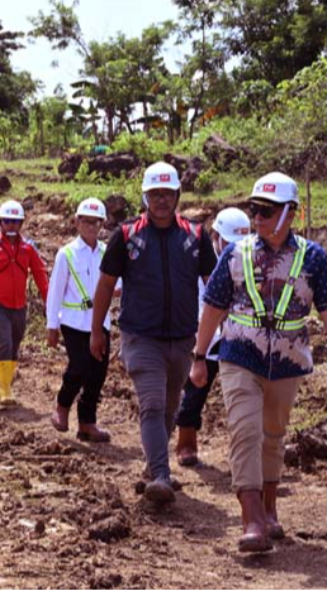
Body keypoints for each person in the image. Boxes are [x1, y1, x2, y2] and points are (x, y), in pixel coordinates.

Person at [192, 172, 327, 552]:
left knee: (273, 434)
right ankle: (251, 519)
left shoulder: (313, 259)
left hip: (288, 359)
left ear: (290, 213)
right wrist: (200, 356)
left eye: (267, 210)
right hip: (239, 354)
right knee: (244, 430)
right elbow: (214, 306)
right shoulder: (236, 254)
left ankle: (269, 508)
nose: (258, 217)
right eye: (255, 209)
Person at [91, 161, 218, 505]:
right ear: (145, 197)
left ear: (178, 195)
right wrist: (97, 330)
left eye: (167, 194)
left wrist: (224, 329)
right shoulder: (127, 235)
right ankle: (162, 475)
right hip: (139, 336)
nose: (161, 200)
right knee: (152, 403)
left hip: (182, 339)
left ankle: (153, 466)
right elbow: (104, 286)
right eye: (154, 194)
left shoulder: (195, 236)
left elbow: (216, 286)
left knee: (170, 408)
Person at [176, 208, 251, 467]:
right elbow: (200, 307)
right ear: (216, 237)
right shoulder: (201, 267)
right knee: (194, 393)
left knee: (247, 399)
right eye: (228, 242)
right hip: (207, 340)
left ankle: (249, 455)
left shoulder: (253, 265)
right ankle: (186, 442)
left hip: (241, 341)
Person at [47, 198, 113, 443]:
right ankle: (62, 405)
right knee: (79, 367)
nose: (91, 226)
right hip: (74, 321)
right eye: (86, 221)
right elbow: (56, 290)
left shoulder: (107, 253)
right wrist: (51, 325)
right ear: (76, 222)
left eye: (96, 222)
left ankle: (87, 422)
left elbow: (119, 285)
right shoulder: (66, 254)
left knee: (98, 373)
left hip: (101, 321)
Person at [0, 200, 49, 406]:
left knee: (15, 343)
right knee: (4, 341)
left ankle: (7, 382)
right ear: (0, 223)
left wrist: (49, 301)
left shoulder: (29, 248)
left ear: (21, 223)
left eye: (15, 222)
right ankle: (5, 389)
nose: (11, 226)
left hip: (19, 306)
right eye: (7, 221)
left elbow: (40, 275)